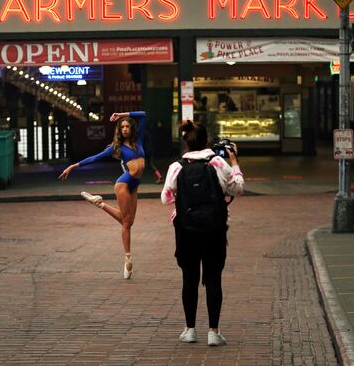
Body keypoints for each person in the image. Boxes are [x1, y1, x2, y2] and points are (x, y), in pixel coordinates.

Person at [160, 120, 244, 346]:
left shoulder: (177, 166)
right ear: (207, 141)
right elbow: (237, 188)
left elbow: (166, 198)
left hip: (186, 230)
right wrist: (234, 162)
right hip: (214, 228)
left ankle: (189, 330)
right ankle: (214, 332)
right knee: (213, 277)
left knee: (189, 278)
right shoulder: (217, 162)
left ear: (186, 142)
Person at [58, 111, 147, 279]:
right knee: (126, 223)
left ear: (132, 129)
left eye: (127, 126)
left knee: (128, 221)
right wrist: (72, 166)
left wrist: (121, 114)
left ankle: (99, 203)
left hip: (135, 185)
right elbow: (94, 158)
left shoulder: (138, 140)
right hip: (124, 184)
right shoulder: (117, 147)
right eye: (122, 127)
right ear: (119, 131)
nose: (125, 129)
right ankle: (128, 259)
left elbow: (143, 115)